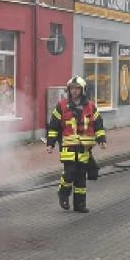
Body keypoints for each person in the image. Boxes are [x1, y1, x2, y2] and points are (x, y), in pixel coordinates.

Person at [46, 76, 106, 213]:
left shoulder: (91, 106)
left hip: (84, 146)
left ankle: (80, 205)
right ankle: (63, 194)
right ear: (69, 90)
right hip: (68, 145)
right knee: (70, 172)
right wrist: (50, 144)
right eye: (72, 88)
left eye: (77, 88)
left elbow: (98, 125)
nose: (74, 91)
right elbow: (53, 126)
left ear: (82, 89)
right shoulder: (61, 106)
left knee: (80, 177)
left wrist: (101, 139)